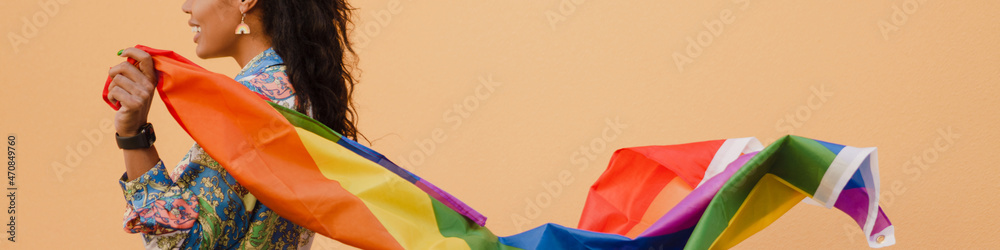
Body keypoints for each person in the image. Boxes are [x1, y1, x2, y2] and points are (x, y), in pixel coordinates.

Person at [104, 0, 360, 248]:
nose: (186, 6)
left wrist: (134, 136)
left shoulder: (258, 100)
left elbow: (180, 243)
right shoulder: (299, 92)